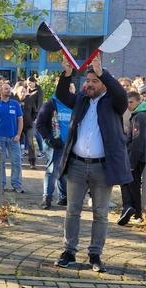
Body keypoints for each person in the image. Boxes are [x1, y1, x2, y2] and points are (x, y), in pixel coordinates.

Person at [54, 56, 131, 273]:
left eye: (94, 81)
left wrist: (103, 72)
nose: (88, 84)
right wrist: (67, 74)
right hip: (77, 166)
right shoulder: (81, 99)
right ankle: (69, 251)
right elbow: (61, 95)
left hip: (102, 168)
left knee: (100, 213)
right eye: (87, 80)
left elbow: (122, 96)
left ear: (103, 84)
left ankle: (95, 254)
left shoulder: (113, 102)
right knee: (72, 211)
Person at [0, 82, 24, 193]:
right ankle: (1, 185)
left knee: (16, 162)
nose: (8, 90)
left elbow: (20, 120)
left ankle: (16, 184)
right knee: (0, 163)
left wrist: (18, 134)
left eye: (9, 88)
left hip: (13, 138)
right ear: (0, 91)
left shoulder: (15, 104)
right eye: (6, 89)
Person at [36, 94, 72, 209]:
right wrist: (49, 138)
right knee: (52, 170)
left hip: (69, 144)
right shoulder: (50, 104)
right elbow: (39, 124)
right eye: (67, 89)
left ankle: (63, 197)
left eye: (71, 89)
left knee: (64, 171)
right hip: (54, 144)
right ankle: (47, 198)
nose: (70, 92)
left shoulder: (73, 104)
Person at [118, 91, 145, 225]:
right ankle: (132, 210)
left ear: (138, 102)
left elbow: (138, 141)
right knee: (131, 183)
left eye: (131, 102)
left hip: (136, 157)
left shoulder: (139, 116)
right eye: (127, 102)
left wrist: (132, 162)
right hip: (135, 155)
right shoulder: (138, 114)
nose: (129, 105)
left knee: (131, 183)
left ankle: (133, 210)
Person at [16, 84, 37, 169]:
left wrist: (32, 119)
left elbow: (35, 112)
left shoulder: (30, 99)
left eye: (24, 91)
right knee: (17, 143)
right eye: (21, 91)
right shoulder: (15, 101)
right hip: (18, 125)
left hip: (29, 125)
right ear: (17, 93)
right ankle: (18, 160)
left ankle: (32, 162)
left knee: (30, 143)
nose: (23, 93)